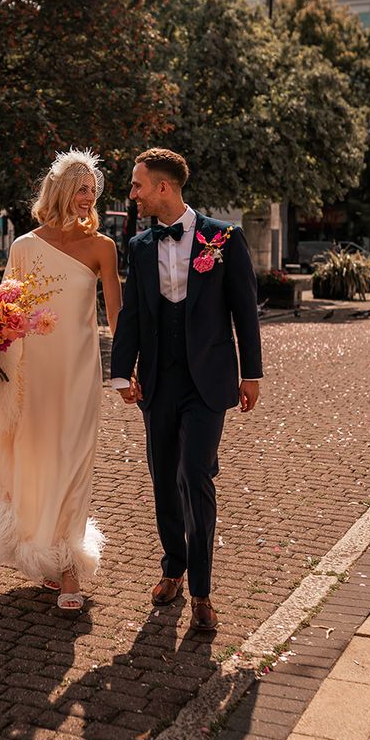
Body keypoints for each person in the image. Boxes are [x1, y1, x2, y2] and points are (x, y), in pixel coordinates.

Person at [0, 149, 121, 611]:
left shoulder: (103, 249)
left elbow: (117, 315)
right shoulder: (24, 247)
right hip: (33, 377)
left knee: (74, 462)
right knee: (37, 462)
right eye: (80, 188)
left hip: (79, 375)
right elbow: (4, 311)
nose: (88, 198)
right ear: (60, 191)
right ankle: (46, 552)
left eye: (93, 189)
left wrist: (130, 367)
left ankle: (70, 570)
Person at [111, 148, 262, 631]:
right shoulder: (138, 246)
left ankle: (201, 591)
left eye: (137, 185)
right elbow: (132, 315)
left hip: (210, 379)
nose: (131, 193)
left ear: (162, 188)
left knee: (194, 474)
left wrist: (251, 373)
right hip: (158, 379)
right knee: (162, 478)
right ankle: (172, 565)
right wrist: (121, 373)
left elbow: (245, 308)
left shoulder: (223, 237)